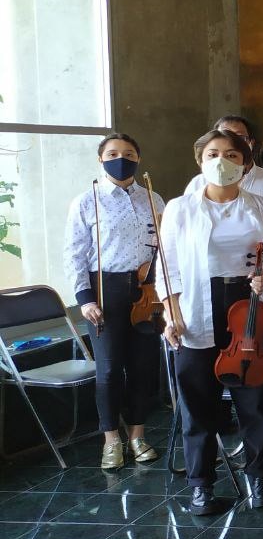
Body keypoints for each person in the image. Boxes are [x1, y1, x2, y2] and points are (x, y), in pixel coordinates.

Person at [158, 129, 263, 515]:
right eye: (213, 153)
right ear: (200, 160)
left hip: (249, 307)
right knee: (197, 405)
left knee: (257, 402)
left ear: (244, 163)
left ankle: (260, 476)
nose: (222, 161)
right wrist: (172, 315)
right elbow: (169, 269)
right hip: (197, 308)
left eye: (232, 154)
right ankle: (201, 485)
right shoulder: (181, 208)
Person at [63, 133, 165, 470]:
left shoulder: (154, 199)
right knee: (108, 371)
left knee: (143, 369)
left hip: (145, 291)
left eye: (129, 153)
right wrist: (84, 299)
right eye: (112, 153)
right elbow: (74, 253)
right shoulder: (87, 201)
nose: (121, 158)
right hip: (104, 291)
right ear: (101, 159)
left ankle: (137, 435)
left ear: (139, 158)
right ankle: (111, 441)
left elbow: (165, 250)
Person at [184, 115, 263, 253]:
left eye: (240, 138)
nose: (230, 143)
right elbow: (186, 228)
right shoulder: (198, 184)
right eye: (223, 137)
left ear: (251, 144)